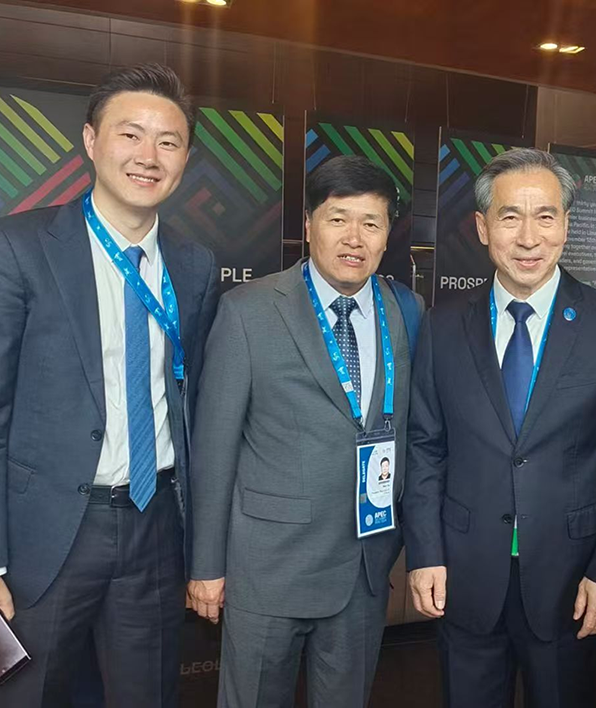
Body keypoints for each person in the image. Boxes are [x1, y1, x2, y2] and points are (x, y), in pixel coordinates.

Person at [0, 63, 219, 707]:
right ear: (91, 141)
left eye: (168, 142)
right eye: (130, 134)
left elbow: (191, 401)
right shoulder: (14, 248)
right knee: (23, 696)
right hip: (44, 535)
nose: (148, 156)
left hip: (156, 526)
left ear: (184, 159)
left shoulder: (194, 265)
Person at [403, 148, 596, 707]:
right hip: (465, 574)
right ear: (482, 227)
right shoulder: (443, 325)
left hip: (573, 581)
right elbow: (425, 447)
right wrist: (425, 553)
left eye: (545, 216)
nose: (528, 237)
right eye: (510, 217)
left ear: (565, 224)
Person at [186, 155, 421, 708]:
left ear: (387, 233)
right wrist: (206, 566)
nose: (354, 238)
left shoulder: (406, 310)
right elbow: (215, 449)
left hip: (364, 567)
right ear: (310, 224)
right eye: (339, 219)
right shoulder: (247, 311)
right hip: (268, 567)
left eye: (371, 222)